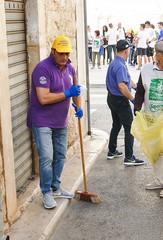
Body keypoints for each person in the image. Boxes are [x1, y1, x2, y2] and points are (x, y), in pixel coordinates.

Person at [27, 35, 83, 209]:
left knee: (60, 156)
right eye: (61, 53)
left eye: (67, 53)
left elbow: (76, 90)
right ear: (53, 51)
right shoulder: (42, 69)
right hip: (42, 120)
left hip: (61, 121)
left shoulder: (70, 69)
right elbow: (43, 98)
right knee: (46, 158)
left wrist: (77, 105)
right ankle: (46, 192)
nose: (64, 57)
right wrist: (66, 94)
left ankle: (56, 187)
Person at [134, 41, 163, 198]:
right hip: (151, 119)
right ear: (157, 55)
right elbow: (140, 90)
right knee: (156, 152)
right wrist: (137, 107)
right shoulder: (146, 69)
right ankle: (160, 179)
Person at [106, 39, 144, 166]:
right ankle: (129, 157)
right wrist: (132, 99)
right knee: (130, 127)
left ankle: (112, 150)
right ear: (127, 51)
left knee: (116, 124)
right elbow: (122, 86)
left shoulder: (115, 62)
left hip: (111, 98)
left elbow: (127, 80)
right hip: (120, 100)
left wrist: (137, 88)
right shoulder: (120, 65)